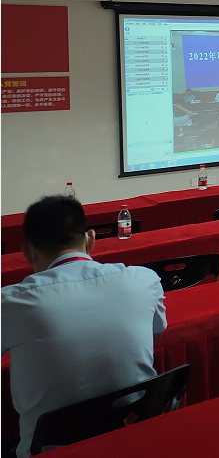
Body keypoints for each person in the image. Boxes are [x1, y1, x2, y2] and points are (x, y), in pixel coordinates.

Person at [2, 196, 166, 458]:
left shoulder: (11, 303)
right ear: (90, 239)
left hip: (49, 450)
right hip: (134, 437)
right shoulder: (145, 280)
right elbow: (155, 335)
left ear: (27, 251)